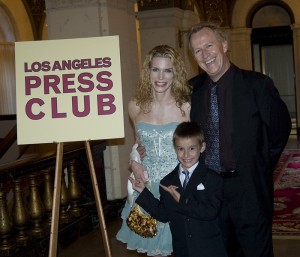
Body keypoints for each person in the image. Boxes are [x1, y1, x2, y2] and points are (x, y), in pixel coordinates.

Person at [188, 22, 292, 257]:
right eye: (197, 50)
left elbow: (279, 130)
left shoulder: (257, 85)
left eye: (209, 45)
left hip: (249, 191)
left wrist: (260, 166)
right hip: (210, 191)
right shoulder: (192, 91)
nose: (205, 54)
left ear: (224, 45)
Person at [116, 45, 191, 257]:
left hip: (176, 187)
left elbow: (194, 151)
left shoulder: (186, 107)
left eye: (167, 70)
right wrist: (134, 161)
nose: (161, 76)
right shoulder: (135, 106)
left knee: (181, 248)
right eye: (155, 69)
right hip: (147, 187)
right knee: (155, 250)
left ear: (175, 73)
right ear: (147, 72)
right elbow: (138, 146)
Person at [130, 121, 227, 257]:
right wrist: (143, 192)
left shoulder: (213, 179)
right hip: (183, 251)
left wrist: (182, 200)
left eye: (192, 148)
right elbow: (164, 215)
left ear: (202, 147)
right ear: (175, 149)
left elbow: (210, 212)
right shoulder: (168, 181)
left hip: (210, 250)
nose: (186, 154)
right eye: (181, 149)